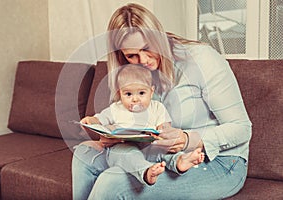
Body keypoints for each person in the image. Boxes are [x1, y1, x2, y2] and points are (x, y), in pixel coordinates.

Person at [72, 3, 252, 200]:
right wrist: (116, 136)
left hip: (221, 163)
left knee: (112, 182)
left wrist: (187, 139)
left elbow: (242, 128)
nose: (143, 60)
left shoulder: (202, 59)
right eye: (131, 55)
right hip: (161, 156)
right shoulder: (135, 75)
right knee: (85, 154)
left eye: (147, 48)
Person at [80, 64, 204, 186]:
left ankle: (180, 161)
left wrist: (160, 131)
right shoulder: (116, 108)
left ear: (151, 91)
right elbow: (99, 120)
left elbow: (165, 127)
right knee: (126, 154)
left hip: (150, 146)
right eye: (128, 94)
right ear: (120, 93)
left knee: (164, 149)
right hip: (123, 147)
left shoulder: (157, 107)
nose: (135, 99)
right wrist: (91, 121)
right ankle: (146, 171)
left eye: (141, 93)